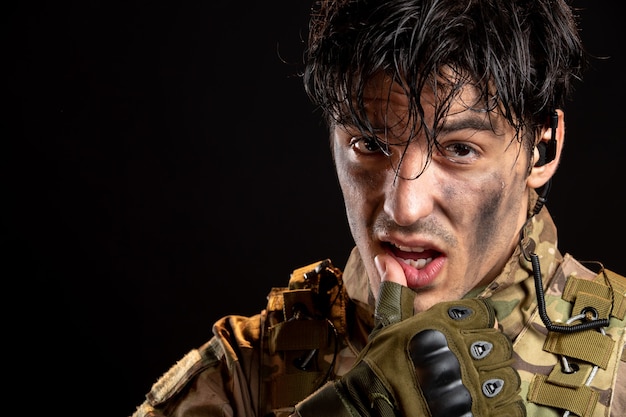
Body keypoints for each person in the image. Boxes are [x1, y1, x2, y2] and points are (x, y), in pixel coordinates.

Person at [131, 0, 626, 415]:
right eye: (369, 144)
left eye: (458, 149)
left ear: (541, 150)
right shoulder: (248, 374)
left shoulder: (621, 361)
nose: (404, 208)